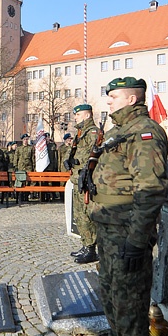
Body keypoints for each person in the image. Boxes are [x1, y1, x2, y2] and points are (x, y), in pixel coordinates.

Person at [88, 77, 168, 336]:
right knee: (111, 297)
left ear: (133, 99)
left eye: (114, 96)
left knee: (130, 303)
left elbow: (150, 191)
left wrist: (137, 240)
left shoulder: (145, 134)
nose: (108, 102)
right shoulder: (117, 133)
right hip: (109, 233)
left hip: (126, 236)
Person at [66, 104, 101, 264]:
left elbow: (93, 155)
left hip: (86, 180)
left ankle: (91, 248)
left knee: (86, 215)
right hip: (77, 178)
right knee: (79, 215)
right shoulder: (81, 133)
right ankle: (86, 245)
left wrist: (79, 163)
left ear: (87, 116)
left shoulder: (92, 132)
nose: (75, 117)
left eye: (78, 115)